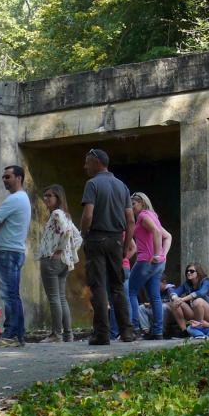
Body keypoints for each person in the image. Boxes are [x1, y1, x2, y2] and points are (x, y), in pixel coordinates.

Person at [78, 148, 136, 345]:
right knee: (118, 287)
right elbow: (130, 220)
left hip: (96, 239)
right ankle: (127, 332)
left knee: (99, 286)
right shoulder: (122, 186)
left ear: (97, 162)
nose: (85, 166)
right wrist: (126, 246)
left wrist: (84, 234)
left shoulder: (92, 184)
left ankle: (102, 334)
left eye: (87, 162)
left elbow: (88, 215)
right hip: (116, 241)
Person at [0, 164, 30, 347]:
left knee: (9, 295)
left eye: (8, 176)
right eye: (4, 177)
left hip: (8, 252)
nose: (4, 179)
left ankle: (11, 334)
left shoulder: (15, 199)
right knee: (13, 295)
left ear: (19, 178)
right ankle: (18, 335)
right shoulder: (20, 198)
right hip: (14, 251)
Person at [38, 184, 80, 343]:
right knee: (61, 298)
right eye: (45, 195)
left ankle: (56, 334)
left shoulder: (56, 213)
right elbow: (77, 237)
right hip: (64, 263)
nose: (46, 198)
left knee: (54, 298)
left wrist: (60, 250)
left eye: (49, 195)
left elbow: (69, 233)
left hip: (52, 261)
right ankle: (68, 334)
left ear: (58, 198)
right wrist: (68, 252)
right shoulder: (65, 214)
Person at [126, 192, 172, 339]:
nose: (131, 207)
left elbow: (157, 232)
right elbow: (168, 236)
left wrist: (157, 254)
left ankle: (135, 328)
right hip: (158, 264)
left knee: (130, 291)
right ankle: (158, 331)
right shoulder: (153, 216)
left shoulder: (143, 216)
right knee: (155, 296)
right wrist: (162, 255)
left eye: (133, 204)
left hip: (146, 261)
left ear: (141, 203)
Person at [165, 263, 209, 337]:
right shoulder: (187, 284)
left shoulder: (206, 282)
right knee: (174, 303)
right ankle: (184, 331)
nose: (188, 272)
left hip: (206, 314)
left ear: (198, 272)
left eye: (192, 271)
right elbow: (175, 292)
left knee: (198, 301)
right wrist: (175, 298)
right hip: (193, 312)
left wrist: (183, 299)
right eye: (187, 271)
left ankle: (198, 328)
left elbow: (201, 293)